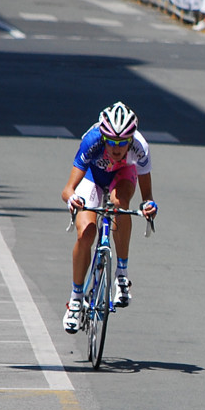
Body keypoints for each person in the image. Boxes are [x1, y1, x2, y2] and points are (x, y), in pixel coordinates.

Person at [61, 102, 158, 333]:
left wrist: (149, 206)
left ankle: (121, 275)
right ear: (103, 137)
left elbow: (147, 197)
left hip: (123, 175)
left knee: (120, 204)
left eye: (122, 142)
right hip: (93, 177)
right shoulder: (92, 141)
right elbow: (68, 189)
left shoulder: (140, 147)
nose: (116, 147)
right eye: (111, 142)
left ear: (130, 140)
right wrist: (73, 199)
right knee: (86, 233)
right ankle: (75, 299)